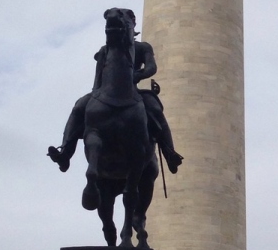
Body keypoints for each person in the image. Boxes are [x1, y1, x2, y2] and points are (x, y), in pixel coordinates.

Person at [48, 10, 183, 174]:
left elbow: (151, 67)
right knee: (79, 107)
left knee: (154, 108)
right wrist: (95, 94)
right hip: (103, 91)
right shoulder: (104, 50)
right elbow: (98, 75)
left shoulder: (143, 47)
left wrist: (139, 75)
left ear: (133, 24)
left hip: (134, 91)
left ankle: (170, 153)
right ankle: (65, 153)